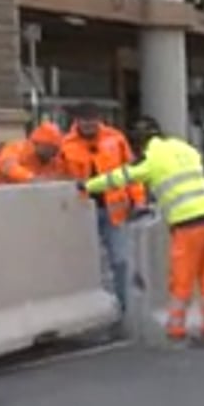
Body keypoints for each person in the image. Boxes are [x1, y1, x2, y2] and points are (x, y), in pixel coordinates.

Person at [82, 116, 204, 345]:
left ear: (140, 142)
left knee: (181, 279)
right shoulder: (185, 148)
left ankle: (176, 330)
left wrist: (87, 186)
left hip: (187, 222)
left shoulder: (151, 159)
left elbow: (120, 178)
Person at [58, 103, 143, 324]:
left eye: (93, 119)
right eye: (84, 120)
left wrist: (138, 200)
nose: (89, 124)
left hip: (115, 210)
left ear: (99, 119)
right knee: (85, 265)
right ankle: (90, 311)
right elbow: (62, 179)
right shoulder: (66, 145)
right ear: (77, 121)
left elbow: (131, 173)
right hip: (82, 212)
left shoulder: (116, 139)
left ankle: (124, 308)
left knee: (121, 260)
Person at [0, 121, 65, 186]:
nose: (53, 154)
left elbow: (57, 176)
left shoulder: (52, 160)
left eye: (56, 150)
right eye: (51, 149)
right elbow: (8, 167)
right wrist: (31, 178)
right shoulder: (15, 149)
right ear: (40, 144)